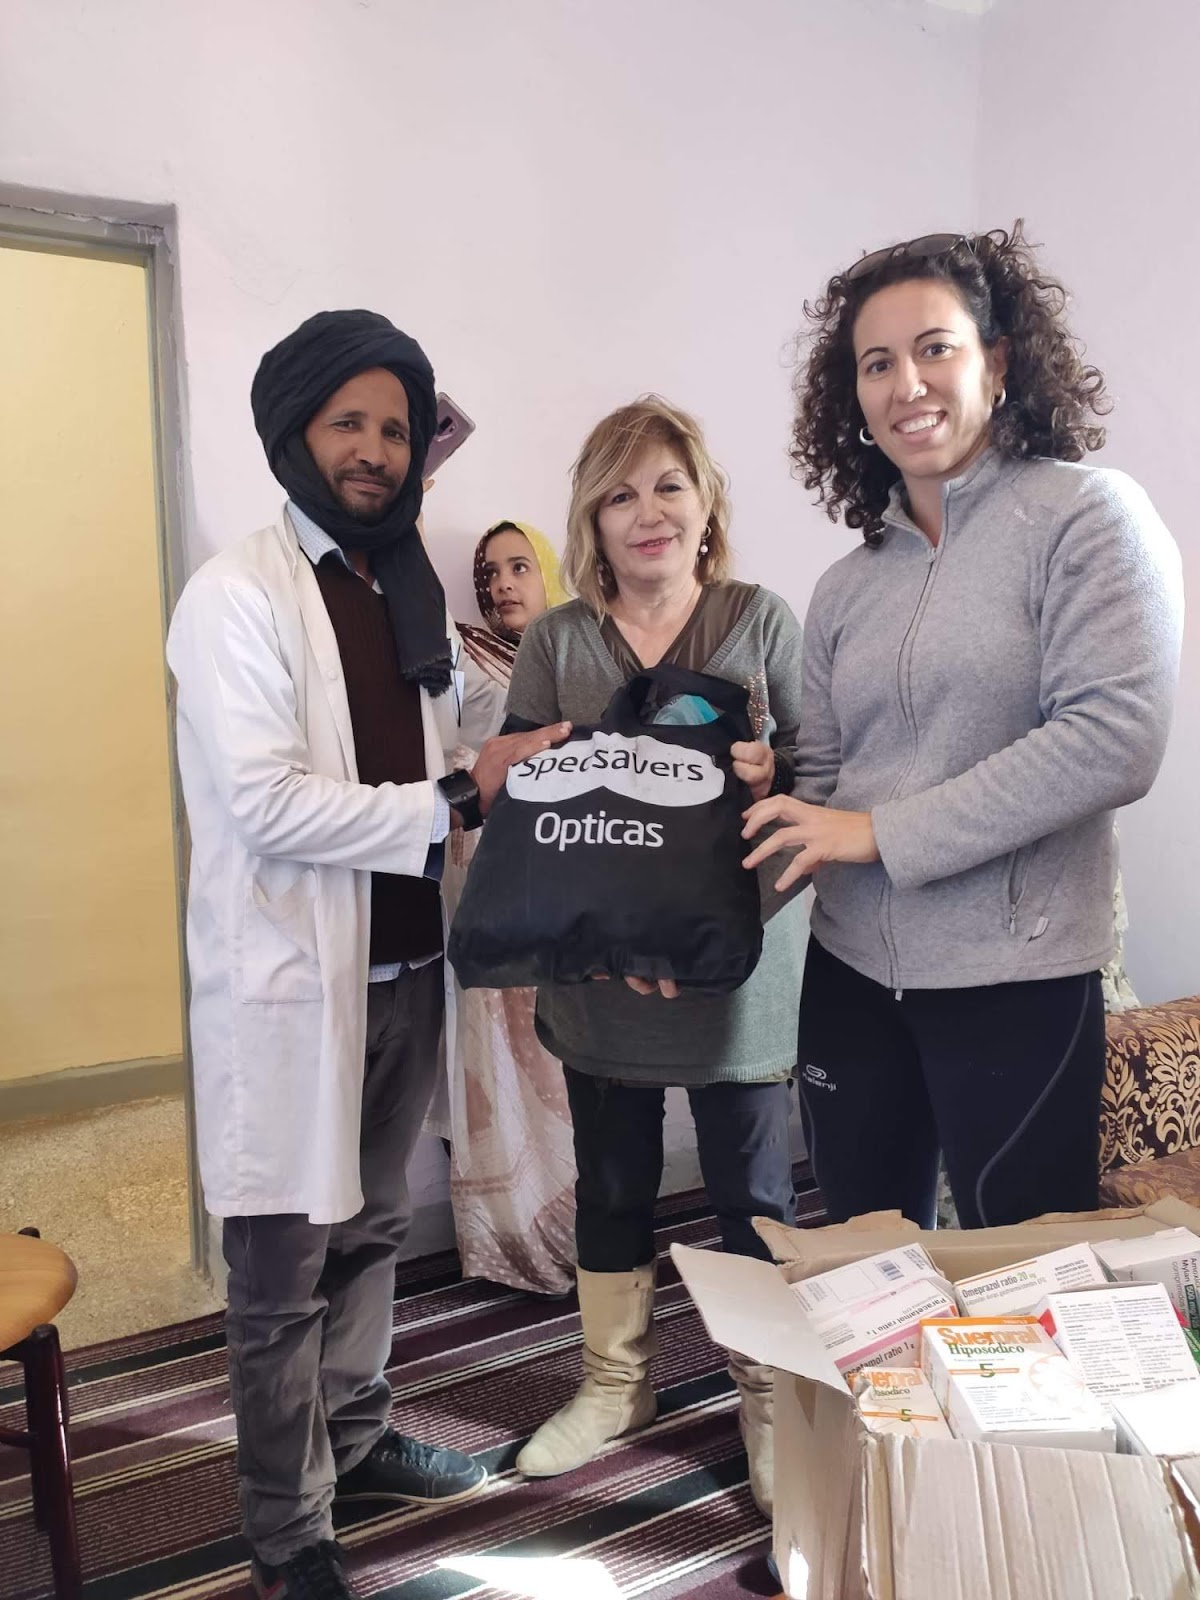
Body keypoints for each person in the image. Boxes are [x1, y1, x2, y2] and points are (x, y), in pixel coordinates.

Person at [166, 310, 568, 1600]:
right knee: (282, 1267)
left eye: (396, 429)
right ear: (297, 433)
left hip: (405, 972)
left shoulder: (407, 596)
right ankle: (289, 1532)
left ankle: (356, 1434)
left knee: (375, 1227)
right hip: (291, 985)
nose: (378, 450)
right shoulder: (235, 596)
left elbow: (461, 736)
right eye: (350, 422)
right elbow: (266, 803)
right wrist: (458, 796)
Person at [743, 225, 1184, 1233]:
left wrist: (880, 833)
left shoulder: (1089, 518)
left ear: (1000, 359)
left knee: (1021, 1279)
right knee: (867, 1268)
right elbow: (823, 792)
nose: (907, 384)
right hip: (851, 974)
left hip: (1017, 980)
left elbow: (1115, 736)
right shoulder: (846, 585)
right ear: (852, 396)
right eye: (876, 363)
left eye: (934, 347)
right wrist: (691, 935)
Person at [505, 395, 806, 1518]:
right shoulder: (558, 641)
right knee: (614, 1182)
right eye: (620, 493)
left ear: (705, 502)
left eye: (669, 486)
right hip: (601, 979)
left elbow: (824, 778)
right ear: (592, 516)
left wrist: (774, 776)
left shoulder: (759, 622)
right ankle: (614, 1384)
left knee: (754, 1197)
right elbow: (524, 802)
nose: (648, 512)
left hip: (740, 976)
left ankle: (769, 1401)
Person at [438, 520, 579, 1296]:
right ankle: (513, 1236)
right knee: (501, 1059)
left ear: (550, 572)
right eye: (488, 574)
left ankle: (584, 1229)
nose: (500, 585)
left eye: (519, 566)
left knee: (566, 1062)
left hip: (566, 894)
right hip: (491, 892)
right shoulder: (464, 656)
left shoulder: (582, 652)